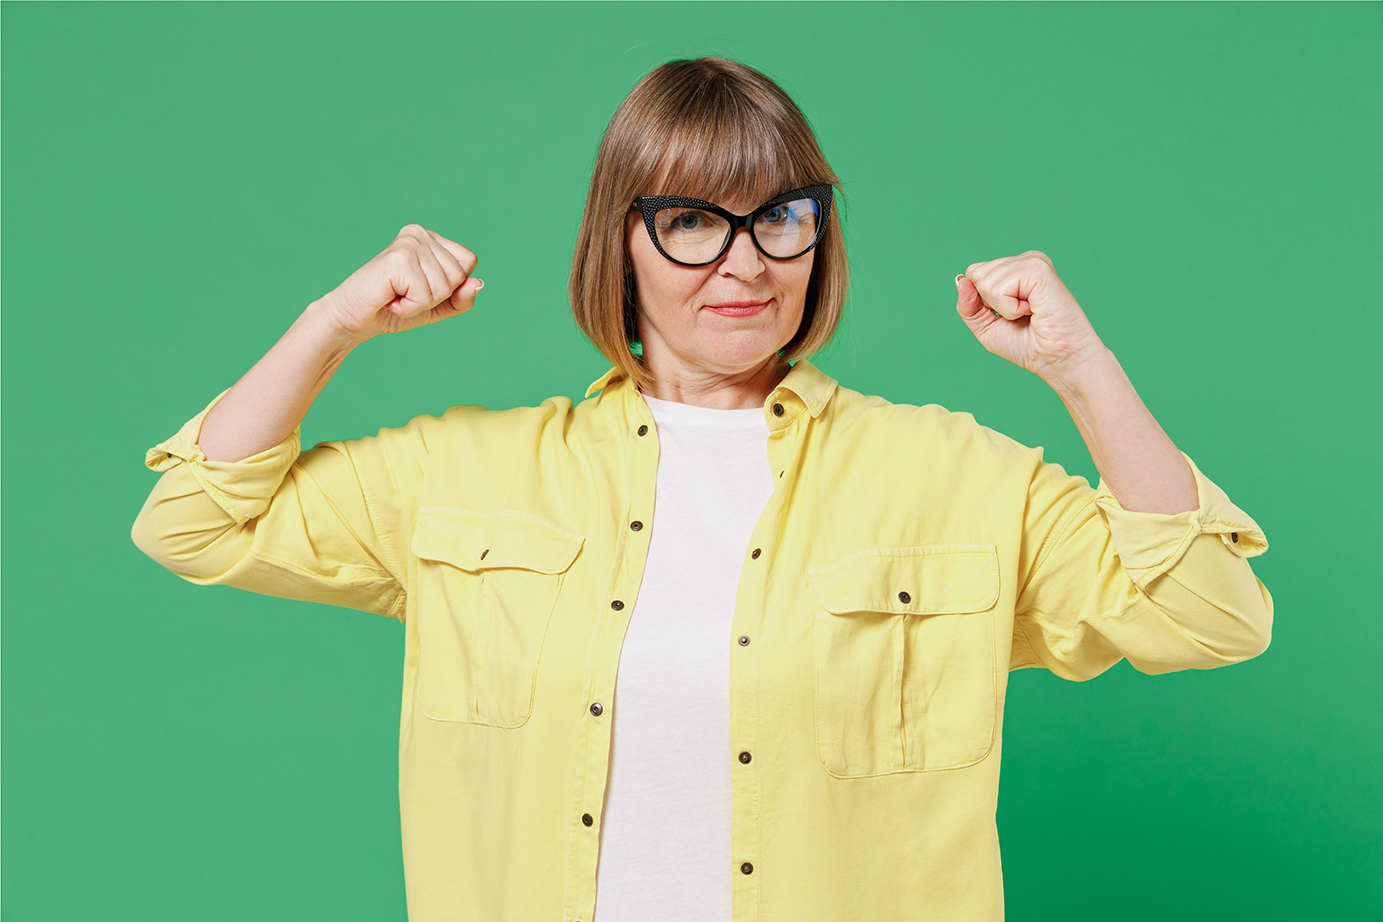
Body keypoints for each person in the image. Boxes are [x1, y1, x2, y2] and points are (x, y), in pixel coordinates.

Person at [132, 57, 1272, 922]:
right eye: (690, 221)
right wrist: (331, 325)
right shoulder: (465, 472)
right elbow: (194, 520)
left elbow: (1210, 612)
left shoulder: (951, 474)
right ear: (619, 243)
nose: (745, 261)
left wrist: (1081, 368)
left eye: (780, 217)